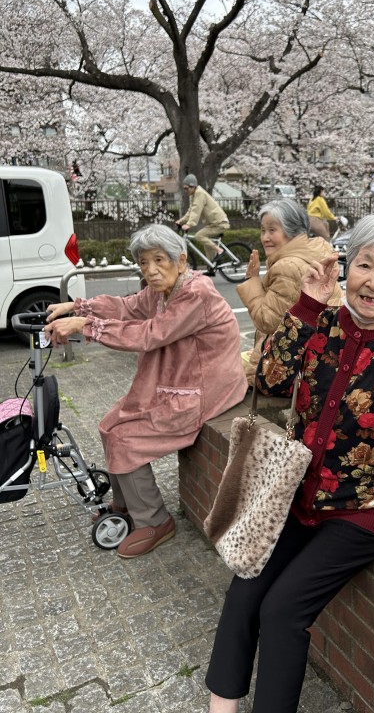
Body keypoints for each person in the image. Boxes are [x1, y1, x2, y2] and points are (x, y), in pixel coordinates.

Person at [205, 211, 374, 713]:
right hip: (300, 498)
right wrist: (306, 305)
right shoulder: (320, 321)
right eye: (365, 265)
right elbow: (269, 380)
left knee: (282, 611)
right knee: (245, 589)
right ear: (347, 266)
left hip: (365, 512)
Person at [44, 224, 248, 559]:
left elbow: (151, 334)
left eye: (159, 260)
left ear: (181, 261)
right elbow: (127, 307)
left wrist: (85, 326)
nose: (150, 270)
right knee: (110, 424)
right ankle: (126, 503)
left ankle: (155, 521)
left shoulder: (196, 293)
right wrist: (77, 308)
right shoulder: (161, 290)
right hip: (175, 384)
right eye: (143, 263)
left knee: (127, 438)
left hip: (204, 391)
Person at [237, 198, 342, 385]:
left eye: (272, 230)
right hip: (320, 360)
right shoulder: (314, 252)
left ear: (292, 231)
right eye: (263, 230)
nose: (265, 237)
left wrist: (252, 281)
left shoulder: (288, 266)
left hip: (292, 370)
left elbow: (267, 322)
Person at [175, 174, 230, 264]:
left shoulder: (199, 193)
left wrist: (189, 224)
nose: (185, 191)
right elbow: (190, 211)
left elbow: (196, 210)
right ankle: (212, 264)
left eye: (186, 188)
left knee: (199, 236)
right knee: (206, 244)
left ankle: (219, 250)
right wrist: (181, 221)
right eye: (184, 189)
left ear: (192, 186)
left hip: (220, 223)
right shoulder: (193, 195)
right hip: (213, 224)